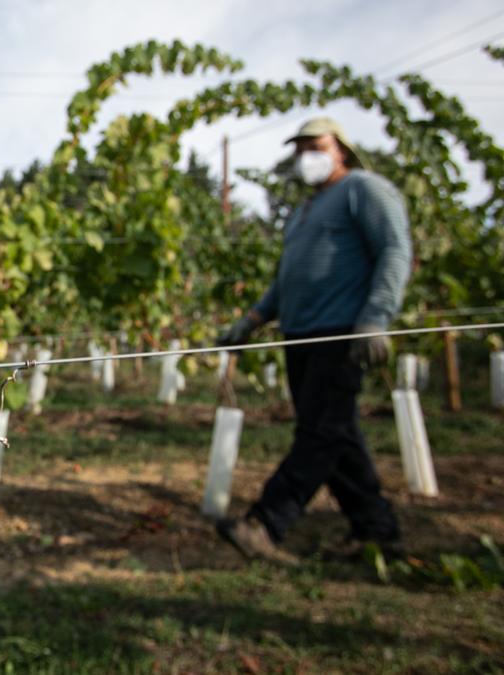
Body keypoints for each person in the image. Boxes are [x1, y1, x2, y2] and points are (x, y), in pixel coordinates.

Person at [215, 117, 412, 564]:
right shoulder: (304, 212)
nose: (308, 156)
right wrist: (251, 320)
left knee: (320, 433)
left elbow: (394, 250)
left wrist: (376, 318)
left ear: (340, 148)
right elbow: (287, 280)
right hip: (300, 334)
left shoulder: (364, 189)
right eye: (301, 148)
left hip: (340, 332)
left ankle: (265, 522)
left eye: (316, 145)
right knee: (336, 433)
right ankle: (377, 531)